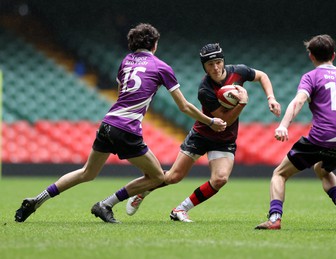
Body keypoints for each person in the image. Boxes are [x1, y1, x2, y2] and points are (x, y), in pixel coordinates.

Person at [14, 23, 226, 223]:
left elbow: (120, 96)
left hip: (108, 123)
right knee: (157, 176)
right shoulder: (161, 67)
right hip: (126, 129)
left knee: (87, 172)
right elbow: (184, 106)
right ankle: (105, 204)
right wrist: (210, 121)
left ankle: (37, 199)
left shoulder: (125, 62)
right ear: (155, 44)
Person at [126, 43, 281, 222]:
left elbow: (262, 76)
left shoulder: (238, 71)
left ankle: (180, 210)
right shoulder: (205, 89)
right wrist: (242, 103)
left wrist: (271, 98)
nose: (215, 68)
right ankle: (144, 190)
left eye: (218, 62)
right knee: (174, 177)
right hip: (202, 135)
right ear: (204, 67)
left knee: (220, 179)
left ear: (223, 61)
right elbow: (225, 121)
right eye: (210, 64)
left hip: (224, 140)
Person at [255, 34, 336, 230]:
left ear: (311, 56)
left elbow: (298, 101)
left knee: (279, 174)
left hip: (320, 138)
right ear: (333, 55)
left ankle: (274, 219)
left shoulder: (312, 76)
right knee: (323, 169)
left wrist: (283, 125)